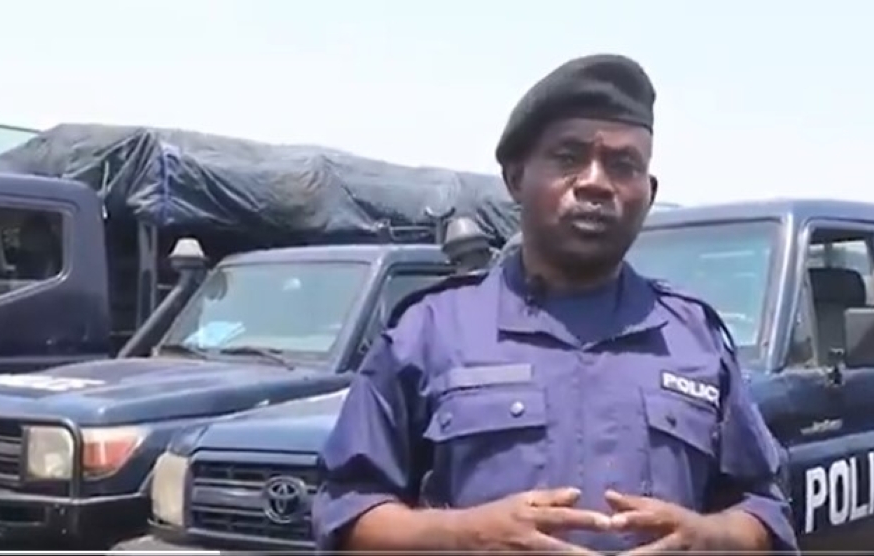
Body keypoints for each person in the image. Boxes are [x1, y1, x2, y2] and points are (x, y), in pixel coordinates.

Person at [313, 54, 799, 554]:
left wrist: (711, 537)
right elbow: (346, 514)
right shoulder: (429, 332)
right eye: (568, 157)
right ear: (516, 178)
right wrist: (464, 536)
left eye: (623, 164)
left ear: (648, 194)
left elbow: (764, 508)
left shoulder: (695, 338)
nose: (595, 181)